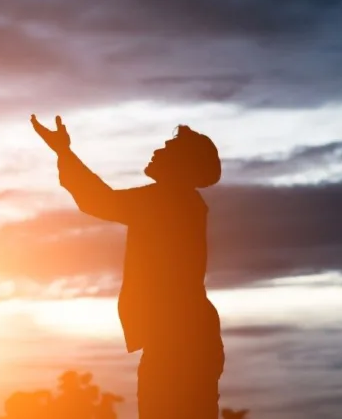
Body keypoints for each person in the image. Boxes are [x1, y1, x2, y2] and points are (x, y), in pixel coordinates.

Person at [31, 114, 224, 419]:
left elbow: (98, 200)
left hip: (178, 342)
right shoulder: (182, 201)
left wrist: (64, 153)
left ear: (182, 164)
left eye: (168, 148)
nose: (157, 152)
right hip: (184, 336)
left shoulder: (167, 201)